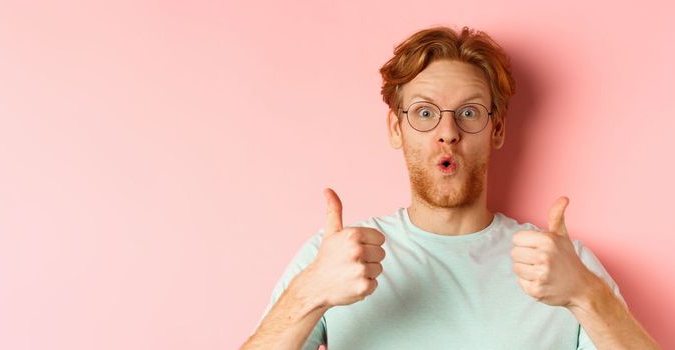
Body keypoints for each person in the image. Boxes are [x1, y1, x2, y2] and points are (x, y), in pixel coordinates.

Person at [240, 26, 659, 349]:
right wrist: (308, 295)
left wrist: (586, 295)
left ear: (496, 130)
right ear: (396, 128)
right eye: (424, 112)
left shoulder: (565, 266)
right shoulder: (333, 258)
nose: (448, 132)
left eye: (470, 112)